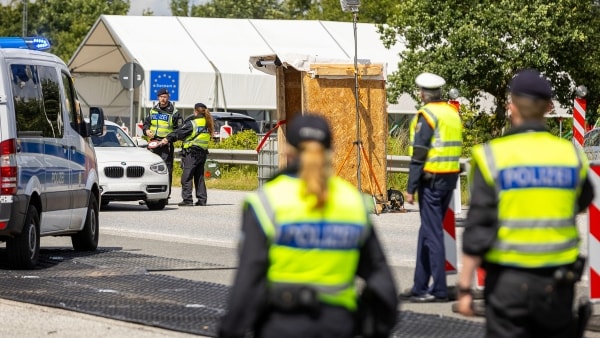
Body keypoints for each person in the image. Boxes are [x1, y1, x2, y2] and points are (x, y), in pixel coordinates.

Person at [218, 114, 398, 338]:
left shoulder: (267, 201)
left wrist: (230, 330)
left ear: (286, 150)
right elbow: (382, 283)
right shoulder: (352, 201)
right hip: (338, 325)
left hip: (280, 325)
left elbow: (249, 279)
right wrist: (375, 327)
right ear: (330, 152)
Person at [456, 69, 595, 337]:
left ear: (511, 107)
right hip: (557, 286)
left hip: (508, 285)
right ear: (548, 108)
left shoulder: (491, 156)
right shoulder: (570, 155)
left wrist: (464, 288)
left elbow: (478, 229)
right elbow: (583, 200)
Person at [399, 72, 463, 303]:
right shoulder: (452, 113)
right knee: (426, 230)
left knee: (433, 232)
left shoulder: (427, 115)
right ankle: (419, 285)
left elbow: (419, 154)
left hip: (432, 180)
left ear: (423, 93)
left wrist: (410, 188)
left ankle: (439, 290)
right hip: (450, 179)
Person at [160, 102, 214, 207]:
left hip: (192, 153)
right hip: (202, 153)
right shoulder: (208, 123)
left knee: (186, 177)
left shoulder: (193, 123)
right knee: (199, 177)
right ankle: (202, 199)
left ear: (195, 111)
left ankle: (187, 199)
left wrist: (167, 139)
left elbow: (179, 133)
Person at [142, 88, 183, 199]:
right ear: (158, 97)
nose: (162, 99)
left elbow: (179, 130)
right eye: (161, 97)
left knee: (166, 169)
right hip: (153, 143)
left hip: (166, 145)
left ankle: (165, 195)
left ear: (168, 97)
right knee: (150, 168)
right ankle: (149, 195)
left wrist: (169, 138)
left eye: (164, 97)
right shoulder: (153, 110)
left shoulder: (174, 112)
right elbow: (145, 123)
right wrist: (146, 130)